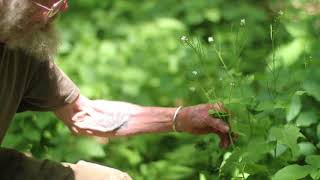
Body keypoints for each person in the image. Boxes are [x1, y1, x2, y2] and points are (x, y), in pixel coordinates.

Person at [0, 0, 231, 179]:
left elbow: (83, 114)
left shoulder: (22, 45)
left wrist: (182, 117)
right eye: (50, 3)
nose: (63, 8)